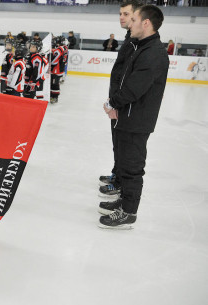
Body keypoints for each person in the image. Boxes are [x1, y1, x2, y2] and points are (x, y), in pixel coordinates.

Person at [100, 5, 169, 229]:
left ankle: (128, 213)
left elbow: (134, 88)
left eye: (135, 19)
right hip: (127, 116)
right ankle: (124, 202)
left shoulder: (154, 52)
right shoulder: (141, 47)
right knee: (125, 162)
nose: (130, 23)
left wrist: (112, 103)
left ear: (146, 23)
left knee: (132, 167)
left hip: (136, 119)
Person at [99, 0, 142, 199]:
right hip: (117, 101)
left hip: (124, 106)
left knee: (123, 146)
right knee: (117, 143)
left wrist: (116, 103)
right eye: (120, 14)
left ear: (137, 16)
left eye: (126, 14)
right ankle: (117, 174)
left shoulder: (136, 42)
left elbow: (129, 80)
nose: (121, 17)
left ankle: (119, 182)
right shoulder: (129, 38)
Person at [50, 36, 68, 103]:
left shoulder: (59, 49)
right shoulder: (65, 48)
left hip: (56, 70)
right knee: (55, 83)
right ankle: (54, 96)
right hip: (61, 69)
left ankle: (54, 97)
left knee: (54, 83)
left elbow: (54, 61)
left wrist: (50, 64)